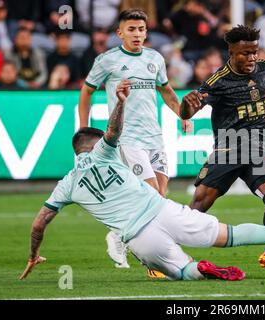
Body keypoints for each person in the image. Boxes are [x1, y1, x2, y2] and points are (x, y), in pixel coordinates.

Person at [19, 80, 265, 282]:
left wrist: (34, 255)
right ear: (96, 142)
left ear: (77, 153)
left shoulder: (67, 183)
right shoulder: (105, 150)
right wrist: (120, 102)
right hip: (163, 209)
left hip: (138, 237)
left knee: (181, 272)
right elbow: (114, 132)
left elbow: (39, 224)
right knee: (232, 234)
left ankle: (201, 270)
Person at [78, 9, 192, 271]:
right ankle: (123, 239)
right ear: (119, 33)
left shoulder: (155, 58)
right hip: (126, 137)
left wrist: (183, 115)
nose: (137, 34)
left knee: (160, 195)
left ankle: (125, 234)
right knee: (151, 194)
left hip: (154, 136)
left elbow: (167, 91)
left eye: (141, 29)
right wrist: (84, 129)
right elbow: (86, 92)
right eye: (131, 29)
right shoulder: (107, 60)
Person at [180, 25, 265, 268]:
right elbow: (190, 110)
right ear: (231, 52)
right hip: (229, 151)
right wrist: (185, 106)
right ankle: (163, 251)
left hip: (258, 151)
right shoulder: (218, 82)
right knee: (198, 207)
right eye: (245, 53)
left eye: (254, 51)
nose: (252, 57)